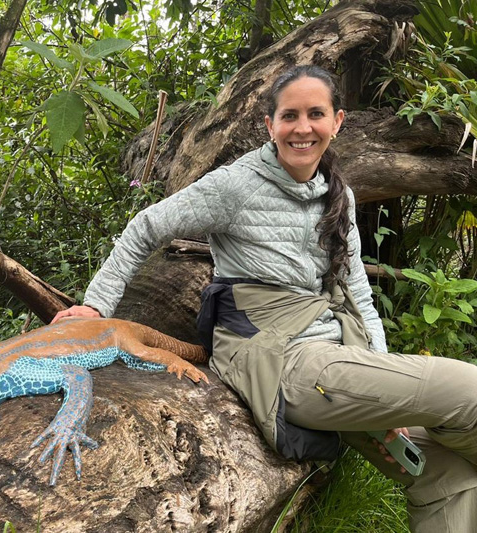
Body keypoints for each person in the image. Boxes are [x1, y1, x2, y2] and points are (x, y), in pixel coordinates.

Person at [51, 65, 477, 531]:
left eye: (316, 114)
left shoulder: (340, 194)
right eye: (289, 115)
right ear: (269, 124)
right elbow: (145, 228)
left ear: (338, 121)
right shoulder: (236, 185)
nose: (302, 127)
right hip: (277, 361)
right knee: (469, 391)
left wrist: (382, 380)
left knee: (448, 477)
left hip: (337, 360)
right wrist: (95, 308)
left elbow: (356, 291)